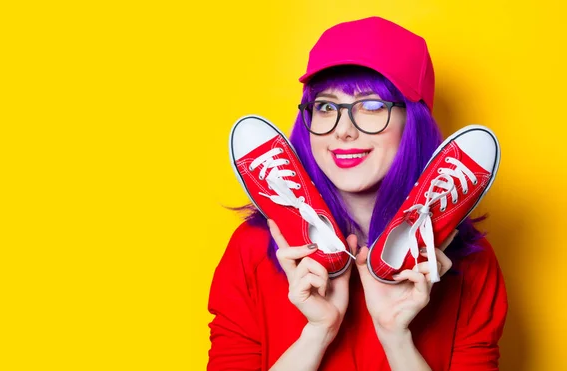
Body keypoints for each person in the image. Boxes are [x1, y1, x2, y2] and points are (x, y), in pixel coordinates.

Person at [207, 16, 508, 371]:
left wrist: (395, 335)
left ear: (413, 121)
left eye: (372, 106)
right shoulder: (253, 249)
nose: (343, 131)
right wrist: (317, 333)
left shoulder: (469, 263)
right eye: (325, 107)